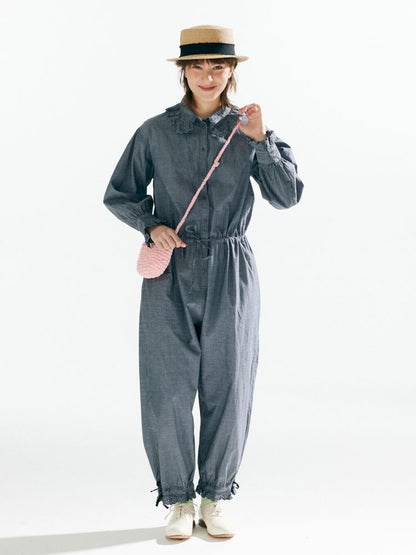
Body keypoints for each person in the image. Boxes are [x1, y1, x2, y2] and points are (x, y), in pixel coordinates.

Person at [103, 24, 304, 541]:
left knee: (229, 385)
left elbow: (287, 196)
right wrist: (151, 224)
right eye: (198, 66)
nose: (208, 76)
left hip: (232, 267)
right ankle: (177, 499)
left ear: (232, 70)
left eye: (218, 66)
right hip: (171, 266)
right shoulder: (155, 131)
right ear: (184, 71)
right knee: (167, 386)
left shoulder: (250, 128)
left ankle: (215, 497)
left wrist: (261, 141)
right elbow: (120, 192)